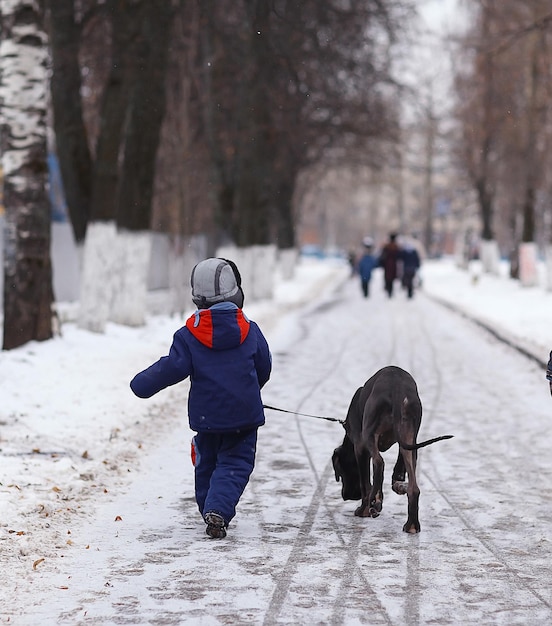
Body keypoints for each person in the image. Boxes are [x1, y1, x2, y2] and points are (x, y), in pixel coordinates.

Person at [130, 258, 272, 539]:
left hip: (207, 417)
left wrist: (142, 384)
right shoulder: (250, 330)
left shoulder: (188, 336)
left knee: (206, 462)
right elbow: (263, 367)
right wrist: (248, 388)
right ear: (236, 291)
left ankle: (209, 507)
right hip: (243, 416)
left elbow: (172, 367)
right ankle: (217, 509)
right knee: (235, 463)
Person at [379, 232, 401, 298]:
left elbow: (382, 256)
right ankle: (390, 291)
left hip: (387, 265)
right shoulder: (396, 247)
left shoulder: (387, 246)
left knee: (388, 278)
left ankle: (389, 290)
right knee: (391, 278)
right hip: (393, 265)